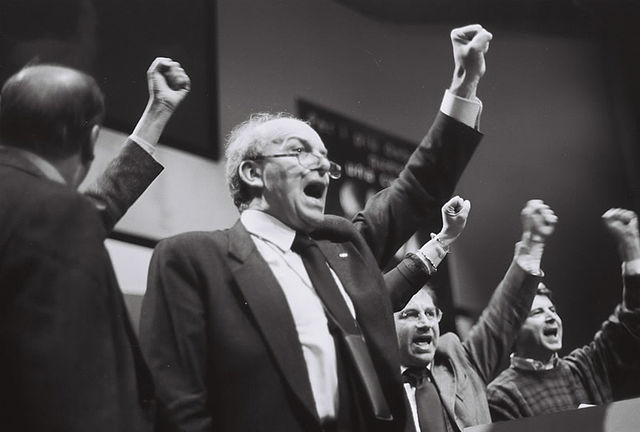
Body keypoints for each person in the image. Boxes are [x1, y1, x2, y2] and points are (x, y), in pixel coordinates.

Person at [139, 24, 491, 432]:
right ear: (253, 173)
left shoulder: (342, 244)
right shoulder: (194, 258)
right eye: (299, 151)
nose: (321, 165)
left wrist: (464, 83)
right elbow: (177, 403)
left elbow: (418, 187)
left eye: (325, 158)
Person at [0, 57, 190, 431]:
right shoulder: (53, 212)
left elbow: (89, 212)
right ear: (91, 141)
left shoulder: (29, 208)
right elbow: (72, 385)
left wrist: (157, 114)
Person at [391, 199, 557, 431]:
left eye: (430, 313)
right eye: (410, 315)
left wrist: (533, 245)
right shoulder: (370, 383)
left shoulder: (457, 361)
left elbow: (502, 318)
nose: (425, 323)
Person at [487, 208, 640, 421]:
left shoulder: (586, 366)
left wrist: (631, 246)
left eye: (552, 310)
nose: (551, 317)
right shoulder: (502, 395)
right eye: (537, 312)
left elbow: (631, 321)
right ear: (513, 332)